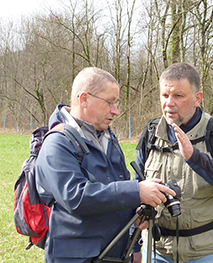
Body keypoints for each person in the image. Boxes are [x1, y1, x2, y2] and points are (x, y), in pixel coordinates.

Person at [35, 67, 175, 263]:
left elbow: (115, 188)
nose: (116, 111)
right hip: (76, 257)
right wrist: (136, 192)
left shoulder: (109, 138)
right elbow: (75, 197)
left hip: (116, 253)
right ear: (84, 99)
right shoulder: (58, 142)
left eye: (116, 103)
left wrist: (134, 221)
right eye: (110, 102)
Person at [132, 62, 213, 262]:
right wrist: (134, 242)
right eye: (164, 95)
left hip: (208, 253)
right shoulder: (151, 133)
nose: (169, 103)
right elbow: (137, 188)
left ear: (197, 98)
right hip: (157, 252)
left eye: (178, 96)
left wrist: (195, 158)